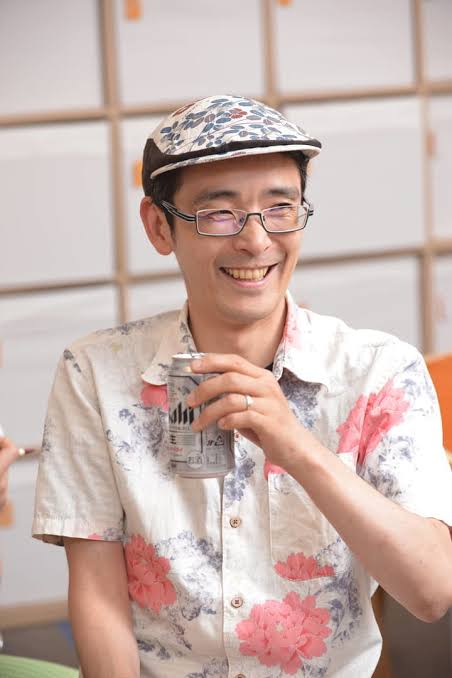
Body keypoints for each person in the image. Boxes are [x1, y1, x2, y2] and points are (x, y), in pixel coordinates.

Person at [33, 95, 452, 678]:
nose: (256, 241)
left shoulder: (379, 370)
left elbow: (433, 593)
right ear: (159, 226)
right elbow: (100, 597)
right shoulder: (96, 373)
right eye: (219, 213)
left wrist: (295, 446)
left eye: (280, 207)